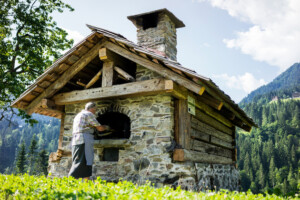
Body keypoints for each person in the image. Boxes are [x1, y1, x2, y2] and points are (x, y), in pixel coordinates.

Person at [68, 102, 109, 180]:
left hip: (76, 140)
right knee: (85, 162)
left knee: (78, 161)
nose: (95, 112)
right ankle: (70, 181)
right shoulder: (89, 114)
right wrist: (107, 127)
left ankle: (84, 186)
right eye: (95, 110)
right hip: (84, 139)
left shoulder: (78, 115)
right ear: (92, 109)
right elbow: (99, 128)